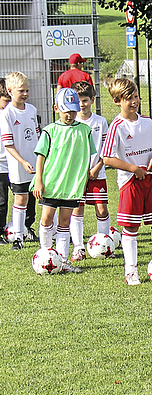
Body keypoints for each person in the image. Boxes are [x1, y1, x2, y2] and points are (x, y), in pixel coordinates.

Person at [101, 78, 152, 286]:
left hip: (151, 180)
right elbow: (107, 158)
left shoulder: (147, 122)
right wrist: (133, 168)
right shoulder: (117, 126)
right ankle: (131, 271)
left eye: (136, 97)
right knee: (130, 227)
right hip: (130, 182)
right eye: (128, 98)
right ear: (116, 101)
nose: (134, 101)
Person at [31, 88, 95, 271]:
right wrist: (39, 180)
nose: (70, 114)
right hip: (51, 184)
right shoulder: (49, 131)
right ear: (56, 108)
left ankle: (63, 260)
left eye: (73, 111)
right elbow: (40, 156)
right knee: (46, 219)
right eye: (66, 110)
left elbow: (86, 157)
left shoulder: (85, 130)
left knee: (64, 222)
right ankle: (45, 255)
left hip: (71, 186)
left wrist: (83, 180)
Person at [68, 80, 111, 262]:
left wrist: (97, 167)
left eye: (85, 100)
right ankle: (78, 248)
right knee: (77, 210)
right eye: (79, 101)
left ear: (92, 100)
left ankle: (104, 245)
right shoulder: (71, 123)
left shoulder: (100, 122)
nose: (82, 105)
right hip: (77, 176)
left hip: (97, 173)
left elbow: (106, 149)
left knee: (101, 210)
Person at [0, 71, 40, 250]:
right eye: (21, 91)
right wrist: (23, 161)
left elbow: (37, 136)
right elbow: (8, 145)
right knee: (20, 199)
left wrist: (39, 158)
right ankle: (18, 238)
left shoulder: (32, 110)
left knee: (39, 197)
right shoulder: (6, 114)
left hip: (35, 163)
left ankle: (50, 231)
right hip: (18, 166)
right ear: (10, 91)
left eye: (27, 90)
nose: (25, 94)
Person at [0, 79, 10, 244]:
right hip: (1, 165)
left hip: (16, 163)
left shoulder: (13, 113)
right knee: (1, 201)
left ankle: (24, 228)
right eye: (6, 101)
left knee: (26, 198)